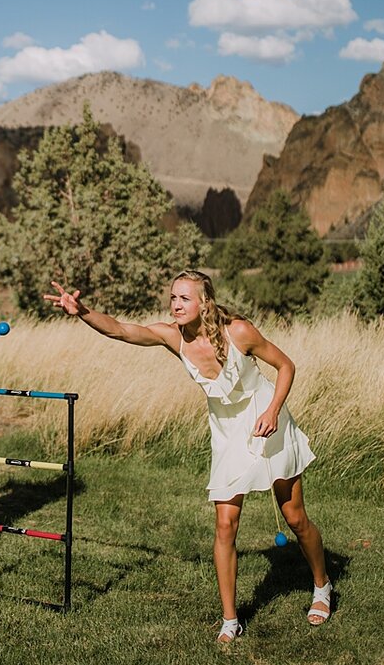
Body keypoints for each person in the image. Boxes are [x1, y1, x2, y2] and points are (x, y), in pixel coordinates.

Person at [44, 269, 331, 641]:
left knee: (294, 517)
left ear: (204, 302)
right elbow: (121, 329)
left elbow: (285, 366)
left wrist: (274, 410)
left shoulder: (238, 331)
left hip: (266, 418)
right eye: (173, 297)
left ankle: (322, 586)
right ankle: (231, 620)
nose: (175, 304)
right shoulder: (171, 336)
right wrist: (82, 311)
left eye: (184, 298)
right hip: (227, 433)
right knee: (226, 524)